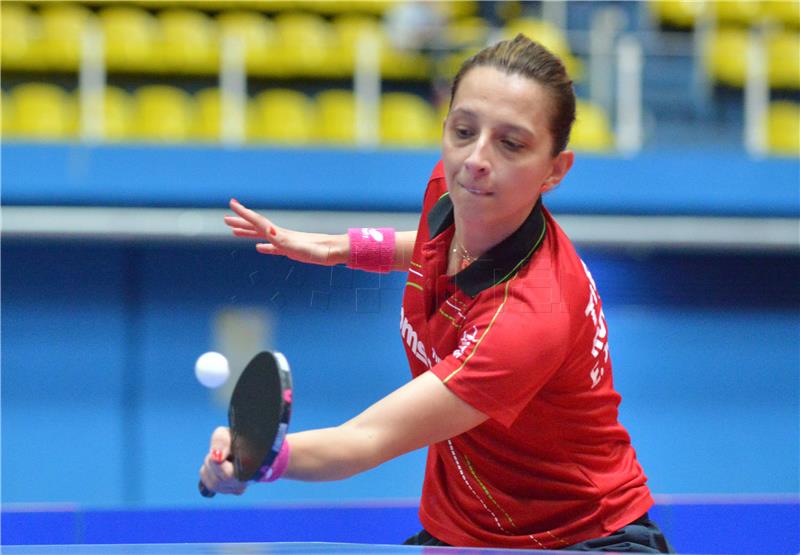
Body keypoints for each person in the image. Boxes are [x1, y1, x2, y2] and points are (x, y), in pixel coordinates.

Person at [199, 34, 675, 553]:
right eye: (463, 130)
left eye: (511, 144)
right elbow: (435, 243)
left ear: (555, 171)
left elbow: (365, 440)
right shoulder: (454, 191)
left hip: (578, 540)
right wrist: (341, 247)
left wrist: (262, 459)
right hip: (465, 534)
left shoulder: (526, 316)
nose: (475, 159)